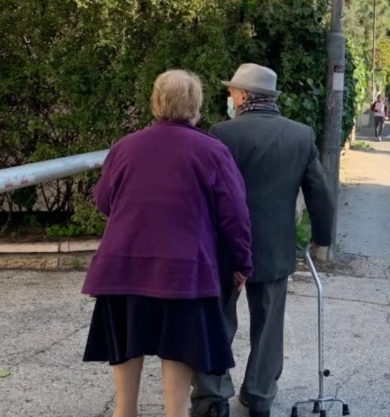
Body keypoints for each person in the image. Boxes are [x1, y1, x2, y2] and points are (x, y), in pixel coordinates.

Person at [82, 70, 253, 417]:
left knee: (127, 351)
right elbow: (234, 215)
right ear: (196, 105)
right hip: (184, 272)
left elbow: (103, 201)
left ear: (155, 102)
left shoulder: (124, 147)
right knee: (178, 352)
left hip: (123, 265)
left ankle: (124, 412)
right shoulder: (212, 151)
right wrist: (241, 263)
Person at [191, 63, 334, 417]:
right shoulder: (300, 135)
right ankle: (259, 396)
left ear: (242, 96)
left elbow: (205, 192)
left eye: (231, 92)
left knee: (217, 321)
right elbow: (320, 193)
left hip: (223, 247)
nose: (229, 97)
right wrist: (321, 237)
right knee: (269, 326)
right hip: (275, 246)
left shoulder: (222, 133)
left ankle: (212, 399)